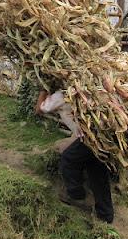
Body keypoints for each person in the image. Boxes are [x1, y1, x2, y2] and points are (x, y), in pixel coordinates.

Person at [35, 89, 114, 224]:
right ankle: (106, 214)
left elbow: (39, 109)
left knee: (68, 159)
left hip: (91, 138)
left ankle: (76, 196)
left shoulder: (60, 95)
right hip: (104, 136)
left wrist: (43, 91)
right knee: (96, 172)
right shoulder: (86, 88)